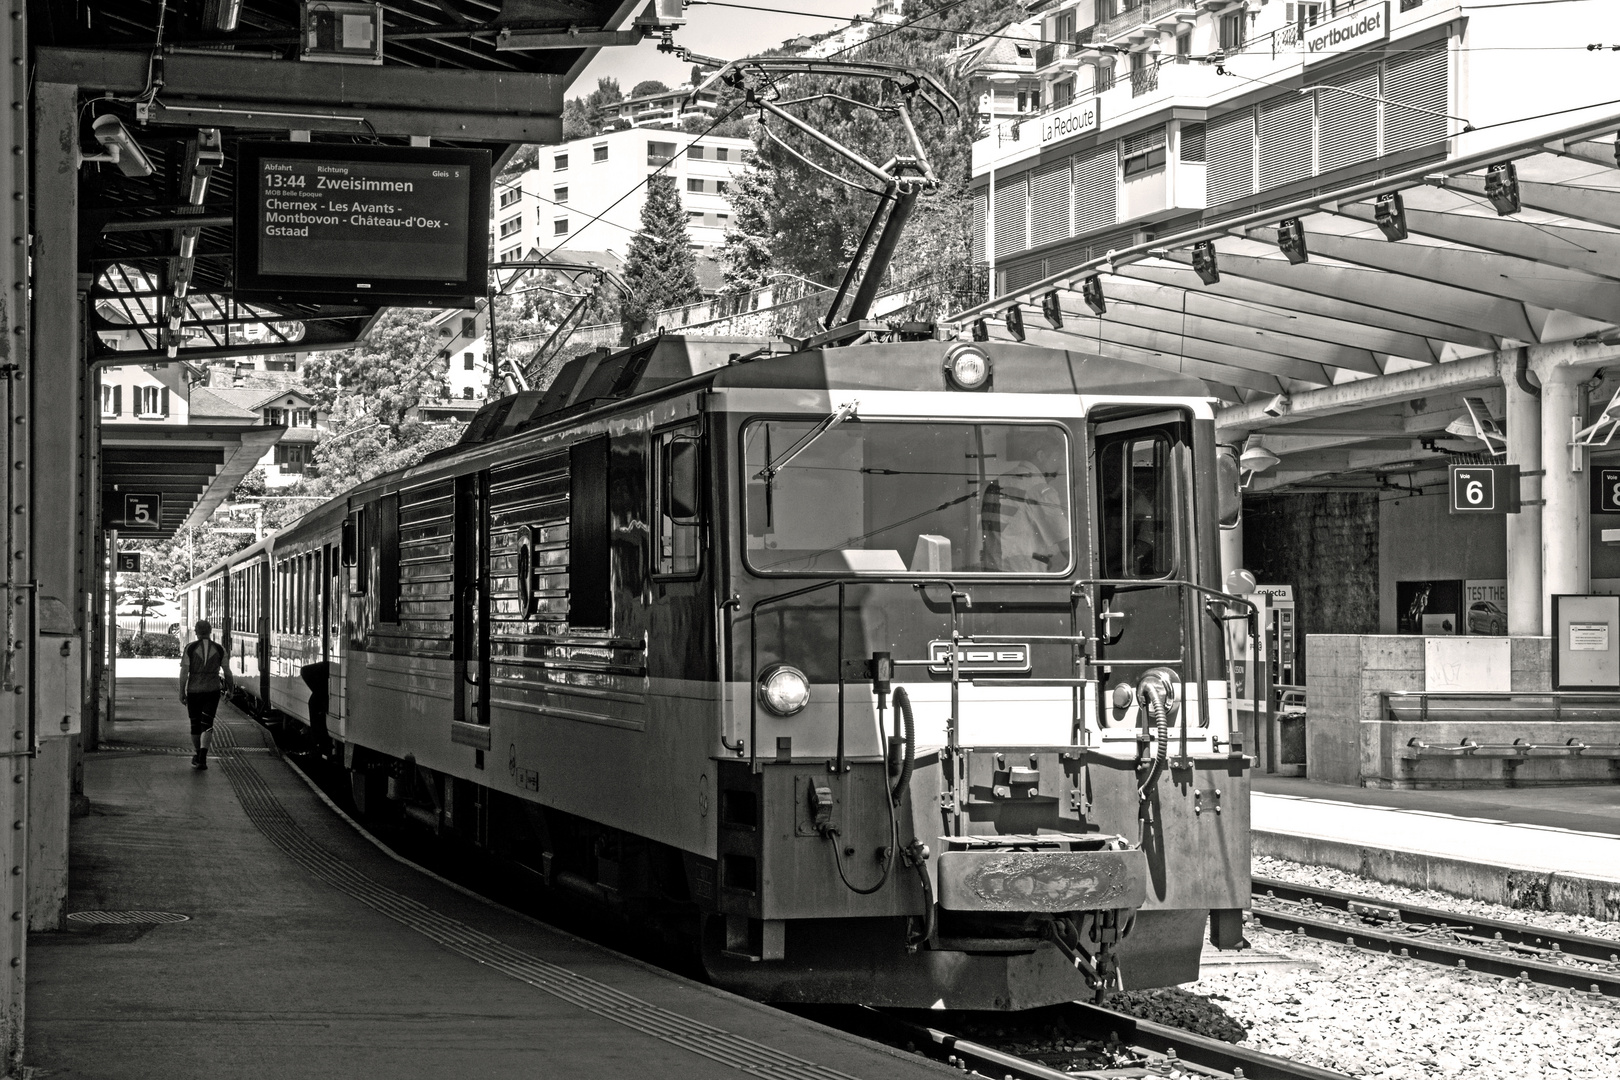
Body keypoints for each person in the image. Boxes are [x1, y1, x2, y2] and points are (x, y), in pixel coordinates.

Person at [982, 429, 1069, 572]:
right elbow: (1066, 545)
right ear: (1041, 455)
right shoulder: (1039, 489)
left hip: (993, 573)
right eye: (1057, 458)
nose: (1059, 467)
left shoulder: (997, 482)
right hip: (1023, 578)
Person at [178, 620, 233, 771]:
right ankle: (203, 756)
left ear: (196, 631)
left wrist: (181, 691)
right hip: (212, 690)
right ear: (210, 631)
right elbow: (227, 672)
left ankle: (198, 755)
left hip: (194, 690)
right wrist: (230, 689)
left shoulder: (190, 648)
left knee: (195, 724)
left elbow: (184, 673)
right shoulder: (219, 649)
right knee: (207, 724)